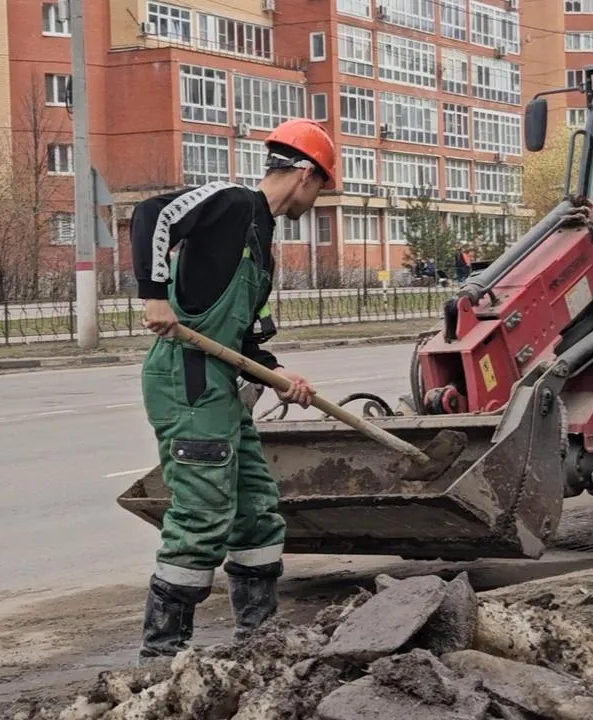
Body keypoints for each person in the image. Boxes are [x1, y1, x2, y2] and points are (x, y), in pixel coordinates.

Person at [128, 118, 336, 662]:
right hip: (188, 382)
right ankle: (161, 658)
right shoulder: (232, 202)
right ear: (305, 175)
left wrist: (279, 374)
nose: (317, 201)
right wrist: (153, 295)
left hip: (222, 382)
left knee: (257, 510)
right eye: (322, 188)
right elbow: (153, 214)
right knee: (201, 516)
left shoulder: (260, 241)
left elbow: (240, 337)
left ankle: (259, 642)